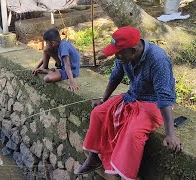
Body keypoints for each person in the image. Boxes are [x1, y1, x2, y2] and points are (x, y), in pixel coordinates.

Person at [74, 26, 181, 180]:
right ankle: (94, 156)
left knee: (133, 133)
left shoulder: (158, 60)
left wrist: (170, 134)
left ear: (133, 50)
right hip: (133, 95)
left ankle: (126, 174)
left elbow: (164, 96)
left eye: (119, 52)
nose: (116, 56)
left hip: (155, 102)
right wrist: (103, 100)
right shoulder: (124, 56)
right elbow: (115, 77)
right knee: (98, 113)